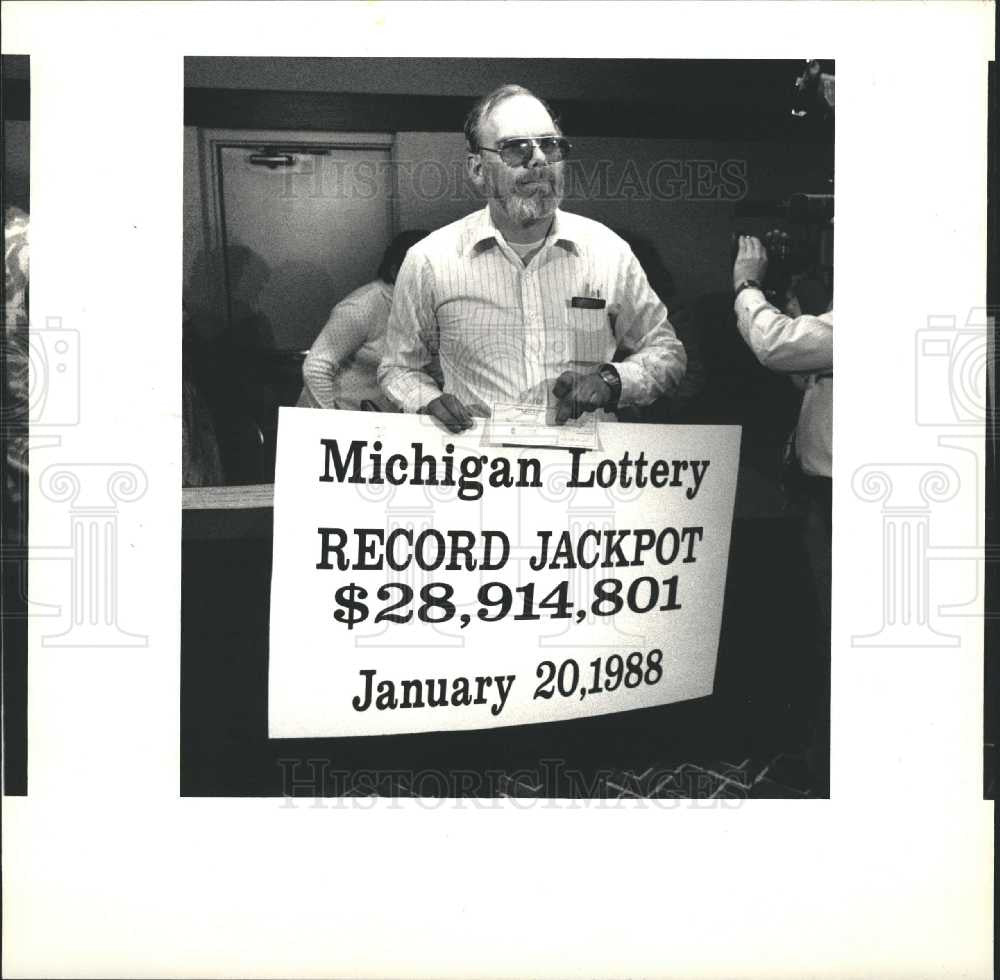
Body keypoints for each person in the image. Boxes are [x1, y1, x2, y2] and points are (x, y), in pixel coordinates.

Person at [377, 84, 686, 433]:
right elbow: (398, 368)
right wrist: (425, 398)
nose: (539, 160)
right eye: (515, 149)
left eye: (550, 146)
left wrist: (613, 381)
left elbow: (666, 352)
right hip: (477, 473)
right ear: (478, 169)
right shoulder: (430, 260)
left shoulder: (608, 252)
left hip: (585, 472)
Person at [298, 230, 430, 411]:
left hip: (374, 426)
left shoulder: (424, 310)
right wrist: (330, 426)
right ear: (395, 271)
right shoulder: (363, 306)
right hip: (336, 423)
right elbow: (315, 368)